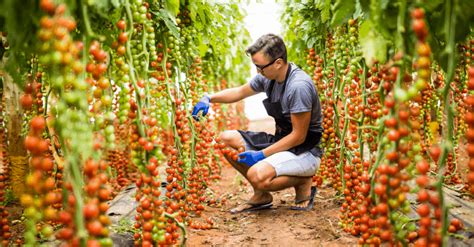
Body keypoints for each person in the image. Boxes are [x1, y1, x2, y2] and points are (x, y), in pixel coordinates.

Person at [192, 34, 323, 213]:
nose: (257, 72)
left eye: (260, 67)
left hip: (305, 150)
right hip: (282, 143)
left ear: (278, 63)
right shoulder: (268, 77)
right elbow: (239, 92)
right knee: (225, 140)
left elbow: (298, 136)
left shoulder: (298, 86)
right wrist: (209, 97)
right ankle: (261, 195)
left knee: (257, 175)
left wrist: (261, 155)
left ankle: (303, 180)